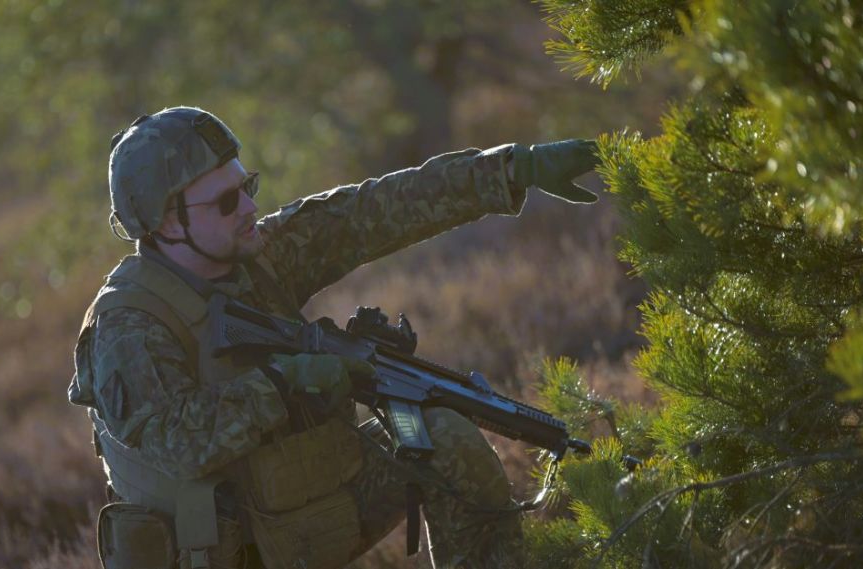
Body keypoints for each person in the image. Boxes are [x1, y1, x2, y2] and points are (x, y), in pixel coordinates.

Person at [68, 106, 599, 569]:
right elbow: (177, 445)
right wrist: (284, 383)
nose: (250, 208)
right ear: (165, 224)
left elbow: (371, 212)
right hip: (222, 554)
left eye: (246, 186)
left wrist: (511, 169)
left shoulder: (255, 255)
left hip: (301, 514)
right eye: (227, 202)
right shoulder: (128, 326)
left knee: (447, 439)